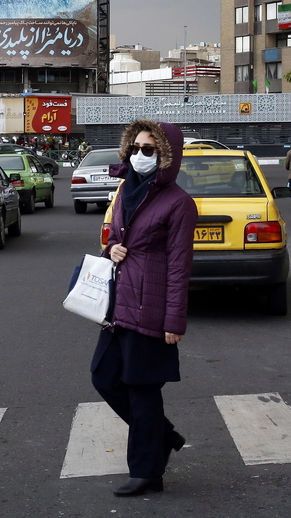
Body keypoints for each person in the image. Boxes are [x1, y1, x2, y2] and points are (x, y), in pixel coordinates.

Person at [92, 119, 197, 497]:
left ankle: (147, 471)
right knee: (103, 377)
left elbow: (179, 265)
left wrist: (174, 320)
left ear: (166, 155)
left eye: (149, 150)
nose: (139, 155)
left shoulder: (180, 204)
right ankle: (163, 435)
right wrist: (112, 249)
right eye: (135, 148)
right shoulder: (126, 190)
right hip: (118, 304)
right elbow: (119, 239)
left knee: (142, 389)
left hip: (150, 308)